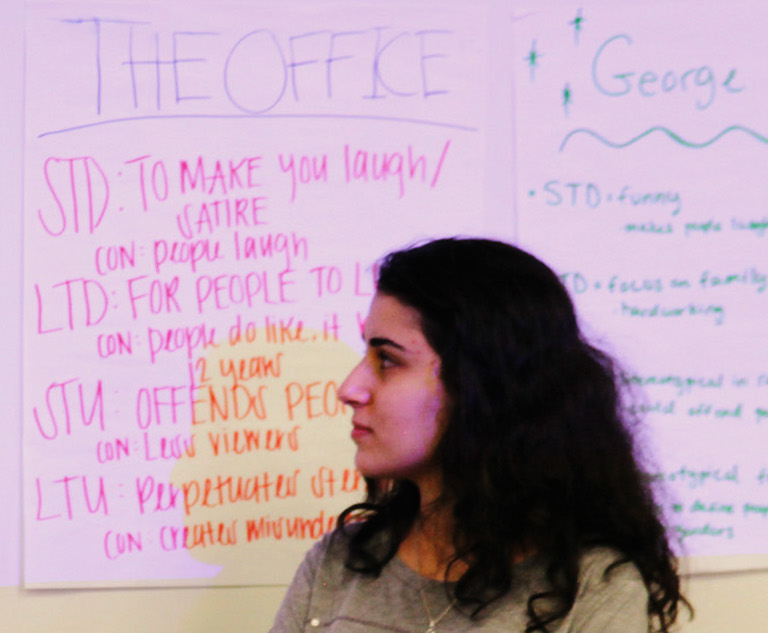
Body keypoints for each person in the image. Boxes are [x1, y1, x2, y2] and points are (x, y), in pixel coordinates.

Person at [270, 238, 686, 633]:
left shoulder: (593, 587)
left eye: (388, 360)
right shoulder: (341, 559)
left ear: (480, 384)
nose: (350, 388)